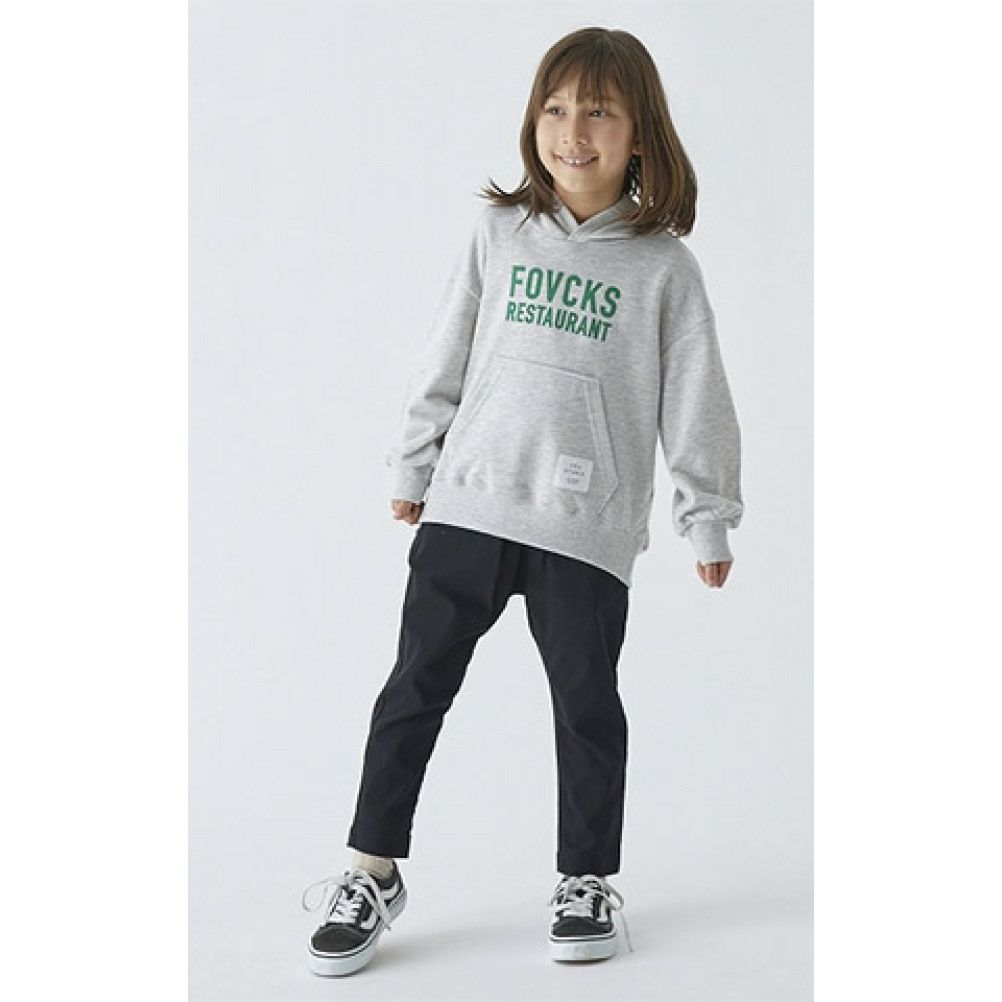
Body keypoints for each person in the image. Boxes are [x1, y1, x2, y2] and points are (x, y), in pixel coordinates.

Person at [302, 25, 744, 975]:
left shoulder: (663, 267)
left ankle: (586, 880)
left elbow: (696, 397)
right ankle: (369, 870)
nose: (572, 131)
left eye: (599, 112)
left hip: (585, 528)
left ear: (639, 132)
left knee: (587, 707)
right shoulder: (497, 233)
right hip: (470, 503)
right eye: (555, 108)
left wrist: (707, 512)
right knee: (413, 690)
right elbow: (447, 350)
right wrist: (413, 466)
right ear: (533, 121)